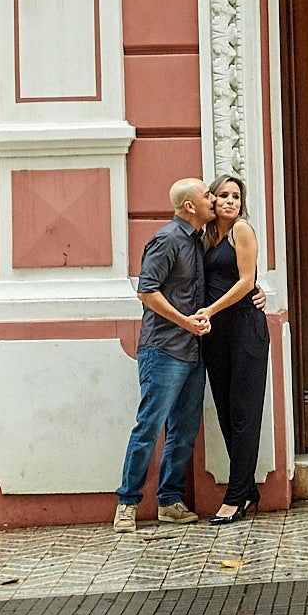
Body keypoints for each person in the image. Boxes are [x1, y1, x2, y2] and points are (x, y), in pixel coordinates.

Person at [113, 178, 216, 533]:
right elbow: (147, 291)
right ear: (190, 206)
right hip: (164, 349)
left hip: (191, 350)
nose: (213, 198)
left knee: (184, 429)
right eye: (207, 195)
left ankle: (170, 501)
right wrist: (185, 322)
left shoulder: (200, 240)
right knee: (150, 425)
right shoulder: (167, 239)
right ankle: (127, 503)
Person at [197, 174, 271, 524]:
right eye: (223, 195)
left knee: (244, 414)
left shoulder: (242, 230)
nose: (230, 201)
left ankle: (235, 496)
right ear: (212, 200)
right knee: (226, 412)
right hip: (216, 336)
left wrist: (210, 310)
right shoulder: (207, 236)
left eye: (236, 196)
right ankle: (247, 490)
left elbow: (246, 281)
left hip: (244, 329)